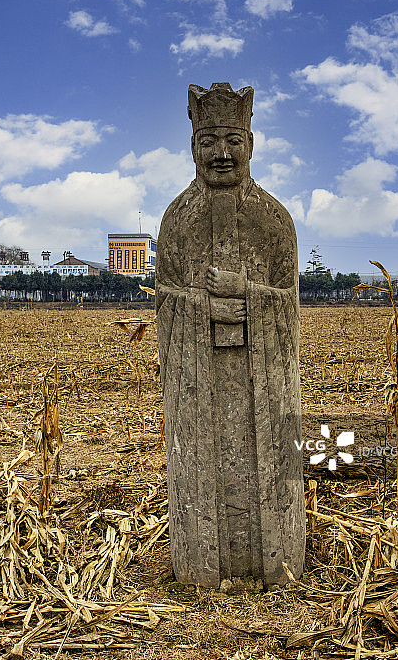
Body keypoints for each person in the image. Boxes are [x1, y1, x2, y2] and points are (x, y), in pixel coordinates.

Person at [156, 82, 305, 587]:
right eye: (209, 141)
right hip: (200, 378)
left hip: (264, 379)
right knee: (199, 463)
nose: (221, 153)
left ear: (251, 143)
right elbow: (166, 299)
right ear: (193, 146)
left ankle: (279, 564)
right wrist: (201, 305)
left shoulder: (274, 219)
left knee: (275, 461)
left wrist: (250, 295)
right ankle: (200, 568)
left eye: (233, 140)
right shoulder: (177, 220)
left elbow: (288, 301)